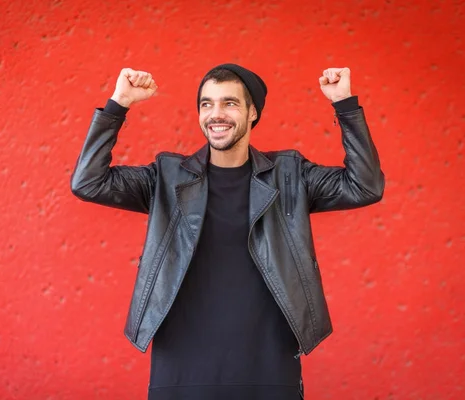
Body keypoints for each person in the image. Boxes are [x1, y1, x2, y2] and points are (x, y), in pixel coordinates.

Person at [71, 63, 385, 399]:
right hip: (181, 362)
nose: (215, 114)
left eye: (229, 103)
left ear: (253, 113)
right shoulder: (166, 177)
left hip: (268, 361)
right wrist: (118, 104)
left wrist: (345, 105)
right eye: (207, 104)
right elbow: (88, 182)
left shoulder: (290, 175)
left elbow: (364, 186)